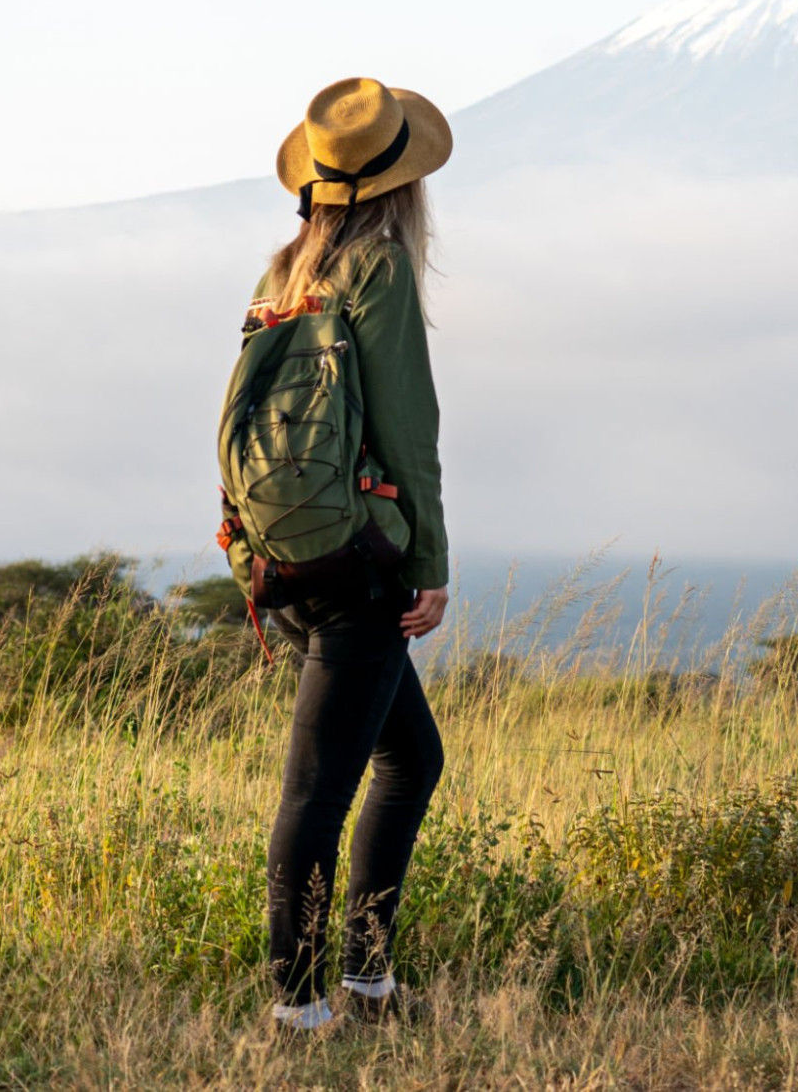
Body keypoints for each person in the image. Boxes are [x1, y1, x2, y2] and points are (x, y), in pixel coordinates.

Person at [250, 78, 452, 1037]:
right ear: (400, 184)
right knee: (319, 792)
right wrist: (431, 562)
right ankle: (299, 1008)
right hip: (363, 562)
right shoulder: (380, 271)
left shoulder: (281, 272)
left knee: (410, 755)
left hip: (286, 559)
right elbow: (411, 431)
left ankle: (369, 985)